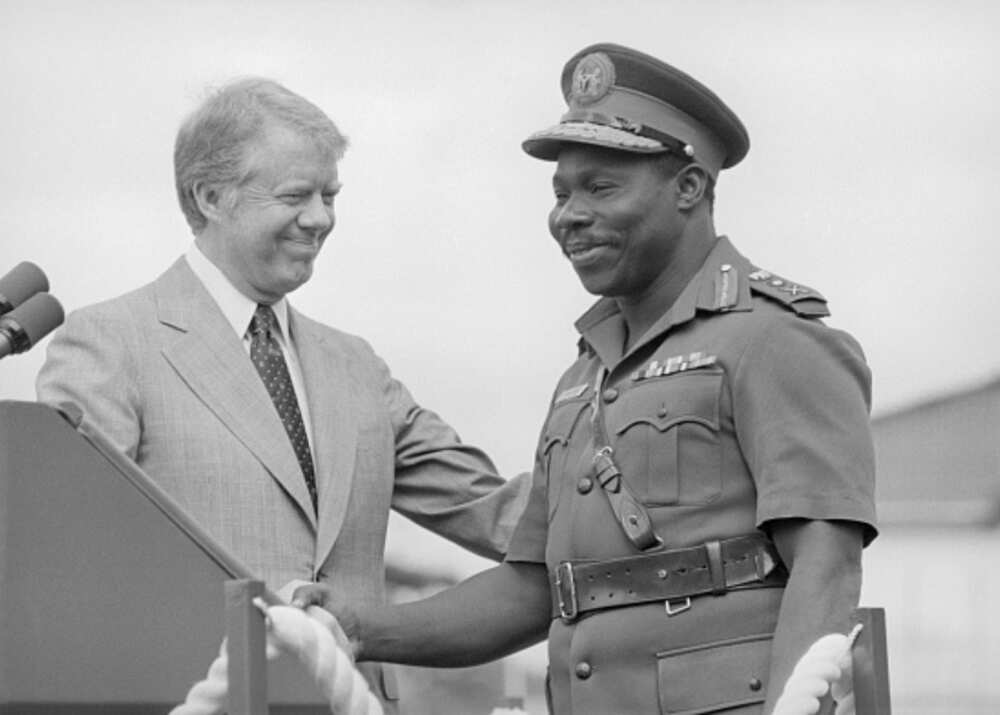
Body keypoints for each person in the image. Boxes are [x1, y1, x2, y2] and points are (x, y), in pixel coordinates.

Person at [292, 43, 878, 714]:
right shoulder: (582, 377)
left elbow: (828, 567)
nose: (568, 215)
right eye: (561, 193)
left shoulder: (776, 338)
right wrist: (359, 627)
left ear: (689, 188)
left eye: (601, 187)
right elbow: (532, 588)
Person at [35, 77, 528, 710]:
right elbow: (71, 562)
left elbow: (501, 513)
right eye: (297, 195)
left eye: (330, 195)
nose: (321, 218)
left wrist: (661, 523)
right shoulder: (109, 345)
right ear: (211, 197)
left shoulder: (356, 366)